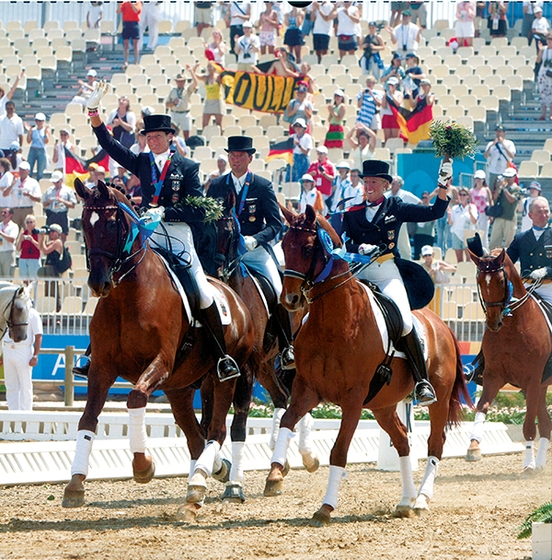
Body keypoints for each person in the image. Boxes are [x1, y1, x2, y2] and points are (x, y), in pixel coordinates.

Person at [80, 81, 240, 381]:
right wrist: (94, 114)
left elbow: (197, 209)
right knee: (116, 282)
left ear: (170, 137)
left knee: (201, 290)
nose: (152, 140)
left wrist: (167, 210)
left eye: (157, 136)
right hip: (146, 232)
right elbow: (110, 146)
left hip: (177, 233)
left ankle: (221, 356)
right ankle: (93, 352)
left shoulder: (187, 167)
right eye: (148, 136)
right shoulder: (141, 161)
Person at [341, 158, 453, 405]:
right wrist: (357, 246)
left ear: (385, 185)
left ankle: (422, 381)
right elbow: (342, 242)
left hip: (385, 269)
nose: (368, 186)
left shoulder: (396, 206)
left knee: (403, 320)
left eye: (374, 182)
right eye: (366, 182)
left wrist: (443, 185)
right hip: (358, 270)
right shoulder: (351, 210)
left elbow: (435, 212)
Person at [207, 135, 295, 371]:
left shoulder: (262, 186)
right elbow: (207, 223)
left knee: (277, 289)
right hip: (224, 255)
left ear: (250, 158)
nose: (235, 160)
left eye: (240, 156)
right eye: (232, 156)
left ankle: (287, 347)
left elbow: (276, 224)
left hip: (254, 252)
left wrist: (256, 240)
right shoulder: (216, 186)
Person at [507, 196, 552, 305]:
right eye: (539, 212)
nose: (544, 215)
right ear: (530, 215)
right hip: (527, 285)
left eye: (546, 212)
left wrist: (546, 271)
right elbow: (506, 262)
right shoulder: (520, 238)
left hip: (549, 287)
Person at [1, 306, 42, 411]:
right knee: (10, 384)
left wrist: (35, 355)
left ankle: (26, 412)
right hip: (8, 348)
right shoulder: (6, 313)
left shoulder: (32, 313)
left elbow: (38, 335)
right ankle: (13, 411)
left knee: (25, 384)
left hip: (23, 349)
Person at [489, 167, 522, 250]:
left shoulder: (517, 189)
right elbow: (495, 198)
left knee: (509, 244)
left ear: (514, 177)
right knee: (494, 243)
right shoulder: (502, 187)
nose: (508, 178)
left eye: (510, 177)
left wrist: (504, 188)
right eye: (506, 176)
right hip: (499, 217)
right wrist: (497, 187)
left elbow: (511, 200)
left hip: (510, 218)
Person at [328, 161, 363, 234]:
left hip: (352, 213)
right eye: (340, 169)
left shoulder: (357, 187)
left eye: (343, 169)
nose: (341, 171)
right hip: (339, 210)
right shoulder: (340, 182)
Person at [165, 67, 198, 141]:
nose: (181, 83)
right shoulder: (173, 91)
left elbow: (195, 83)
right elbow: (167, 104)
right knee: (173, 133)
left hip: (185, 113)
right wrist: (173, 103)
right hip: (175, 113)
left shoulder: (188, 90)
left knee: (186, 134)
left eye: (182, 81)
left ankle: (185, 147)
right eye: (179, 81)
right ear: (176, 82)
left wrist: (191, 72)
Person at [41, 171, 78, 239]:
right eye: (54, 182)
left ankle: (62, 248)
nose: (55, 184)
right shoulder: (49, 190)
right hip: (51, 214)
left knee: (63, 235)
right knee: (51, 235)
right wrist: (48, 202)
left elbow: (73, 205)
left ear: (61, 180)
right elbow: (43, 204)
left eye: (57, 182)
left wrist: (63, 201)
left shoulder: (68, 190)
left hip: (62, 214)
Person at [189, 62, 224, 132]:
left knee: (218, 123)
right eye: (208, 67)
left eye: (211, 67)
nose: (210, 68)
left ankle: (220, 136)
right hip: (209, 101)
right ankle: (205, 135)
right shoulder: (205, 78)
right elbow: (195, 75)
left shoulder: (218, 77)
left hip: (218, 101)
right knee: (204, 123)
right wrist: (195, 66)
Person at [448, 187, 478, 262]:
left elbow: (474, 222)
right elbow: (450, 223)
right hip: (457, 234)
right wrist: (449, 215)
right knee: (459, 260)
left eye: (464, 195)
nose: (462, 196)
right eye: (460, 194)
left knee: (469, 259)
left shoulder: (472, 207)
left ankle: (468, 273)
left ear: (468, 196)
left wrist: (470, 212)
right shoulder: (455, 208)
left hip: (468, 234)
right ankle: (460, 273)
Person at [484, 125, 516, 192]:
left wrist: (503, 145)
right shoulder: (490, 144)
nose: (498, 134)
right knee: (492, 189)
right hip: (493, 170)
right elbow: (486, 156)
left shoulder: (509, 143)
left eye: (500, 132)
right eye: (497, 132)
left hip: (505, 171)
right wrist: (492, 145)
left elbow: (512, 156)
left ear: (504, 133)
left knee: (503, 189)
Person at [10, 161, 42, 229]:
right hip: (15, 210)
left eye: (24, 170)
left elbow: (39, 199)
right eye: (20, 169)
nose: (21, 171)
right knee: (14, 232)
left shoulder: (33, 182)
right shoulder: (14, 181)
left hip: (27, 210)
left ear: (28, 171)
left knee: (28, 232)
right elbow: (5, 194)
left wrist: (29, 195)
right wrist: (12, 184)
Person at [307, 145, 335, 211]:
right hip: (314, 192)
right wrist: (311, 174)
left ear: (325, 154)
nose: (319, 155)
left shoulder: (330, 165)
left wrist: (325, 175)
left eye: (321, 153)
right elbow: (306, 177)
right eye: (318, 153)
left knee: (322, 211)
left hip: (325, 193)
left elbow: (333, 179)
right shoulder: (313, 164)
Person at [470, 169, 493, 249]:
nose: (478, 180)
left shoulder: (486, 190)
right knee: (475, 232)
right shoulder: (471, 191)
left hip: (484, 214)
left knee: (484, 233)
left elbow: (490, 201)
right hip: (475, 214)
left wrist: (491, 214)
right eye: (477, 178)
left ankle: (485, 251)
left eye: (480, 179)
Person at [25, 113, 50, 181]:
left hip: (41, 150)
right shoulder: (33, 130)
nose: (38, 122)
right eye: (37, 121)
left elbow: (46, 141)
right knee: (29, 168)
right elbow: (28, 141)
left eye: (40, 121)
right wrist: (29, 132)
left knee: (40, 171)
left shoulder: (46, 130)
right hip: (33, 149)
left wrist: (45, 133)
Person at [413, 190, 438, 259]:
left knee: (428, 254)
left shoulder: (432, 207)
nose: (425, 199)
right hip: (418, 233)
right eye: (423, 198)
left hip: (429, 234)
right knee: (417, 254)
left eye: (427, 197)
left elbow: (434, 219)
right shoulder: (418, 208)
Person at [16, 214, 41, 280]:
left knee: (33, 280)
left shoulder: (38, 233)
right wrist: (20, 241)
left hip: (34, 259)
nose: (29, 224)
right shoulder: (23, 233)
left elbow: (40, 247)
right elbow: (18, 249)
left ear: (35, 223)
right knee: (24, 280)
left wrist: (32, 240)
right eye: (27, 222)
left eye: (31, 222)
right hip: (23, 258)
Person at [118, 1, 142, 69]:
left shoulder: (138, 2)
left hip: (134, 23)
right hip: (126, 23)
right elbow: (119, 11)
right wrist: (119, 4)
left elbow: (136, 11)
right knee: (126, 44)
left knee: (135, 44)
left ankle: (136, 61)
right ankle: (125, 61)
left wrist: (132, 3)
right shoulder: (124, 3)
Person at [381, 76, 403, 143]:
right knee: (387, 138)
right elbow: (384, 106)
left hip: (395, 116)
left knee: (395, 137)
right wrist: (385, 96)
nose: (391, 86)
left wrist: (392, 95)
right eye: (390, 85)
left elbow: (398, 104)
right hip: (387, 115)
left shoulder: (399, 93)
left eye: (392, 85)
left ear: (396, 85)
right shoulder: (386, 94)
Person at [290, 117, 312, 182]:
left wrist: (299, 145)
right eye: (296, 126)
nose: (298, 128)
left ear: (303, 128)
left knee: (302, 179)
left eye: (300, 126)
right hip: (294, 159)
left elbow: (306, 152)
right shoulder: (292, 137)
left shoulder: (307, 137)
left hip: (303, 160)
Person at [536, 33, 552, 121]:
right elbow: (538, 60)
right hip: (543, 74)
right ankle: (543, 114)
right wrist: (540, 51)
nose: (550, 41)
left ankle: (551, 114)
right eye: (548, 39)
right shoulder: (544, 49)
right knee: (543, 95)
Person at [0, 207, 18, 277]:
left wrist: (1, 233)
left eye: (5, 212)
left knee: (8, 277)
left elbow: (12, 239)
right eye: (2, 212)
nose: (3, 214)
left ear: (11, 215)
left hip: (8, 253)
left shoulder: (14, 226)